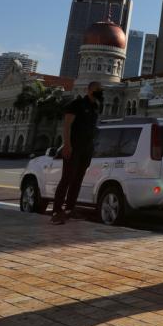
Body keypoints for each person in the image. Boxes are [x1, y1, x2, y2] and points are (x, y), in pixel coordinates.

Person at [51, 81, 103, 224]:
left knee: (78, 179)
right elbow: (67, 125)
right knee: (67, 178)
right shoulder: (77, 104)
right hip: (74, 147)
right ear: (89, 90)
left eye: (100, 90)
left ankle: (69, 209)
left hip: (87, 148)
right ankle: (56, 211)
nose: (99, 92)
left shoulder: (96, 107)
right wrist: (67, 144)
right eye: (97, 90)